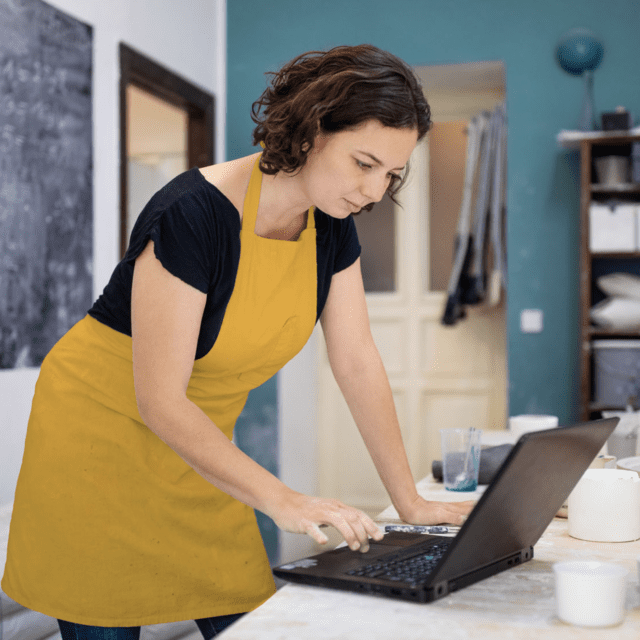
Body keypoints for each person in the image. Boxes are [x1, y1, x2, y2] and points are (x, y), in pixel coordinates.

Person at [2, 44, 474, 639]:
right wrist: (286, 499)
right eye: (363, 163)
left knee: (249, 617)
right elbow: (160, 400)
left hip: (199, 444)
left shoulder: (331, 226)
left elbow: (355, 359)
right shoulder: (192, 214)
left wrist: (408, 501)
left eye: (391, 174)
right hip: (101, 427)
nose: (375, 191)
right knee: (106, 619)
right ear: (309, 131)